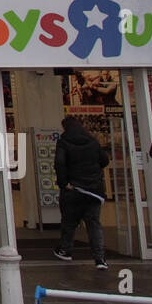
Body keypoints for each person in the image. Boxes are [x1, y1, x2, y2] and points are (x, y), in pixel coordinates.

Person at [53, 115, 110, 269]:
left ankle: (66, 250)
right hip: (93, 190)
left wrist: (63, 183)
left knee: (69, 222)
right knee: (94, 224)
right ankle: (100, 258)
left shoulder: (64, 142)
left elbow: (59, 163)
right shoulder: (92, 141)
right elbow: (105, 160)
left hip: (74, 189)